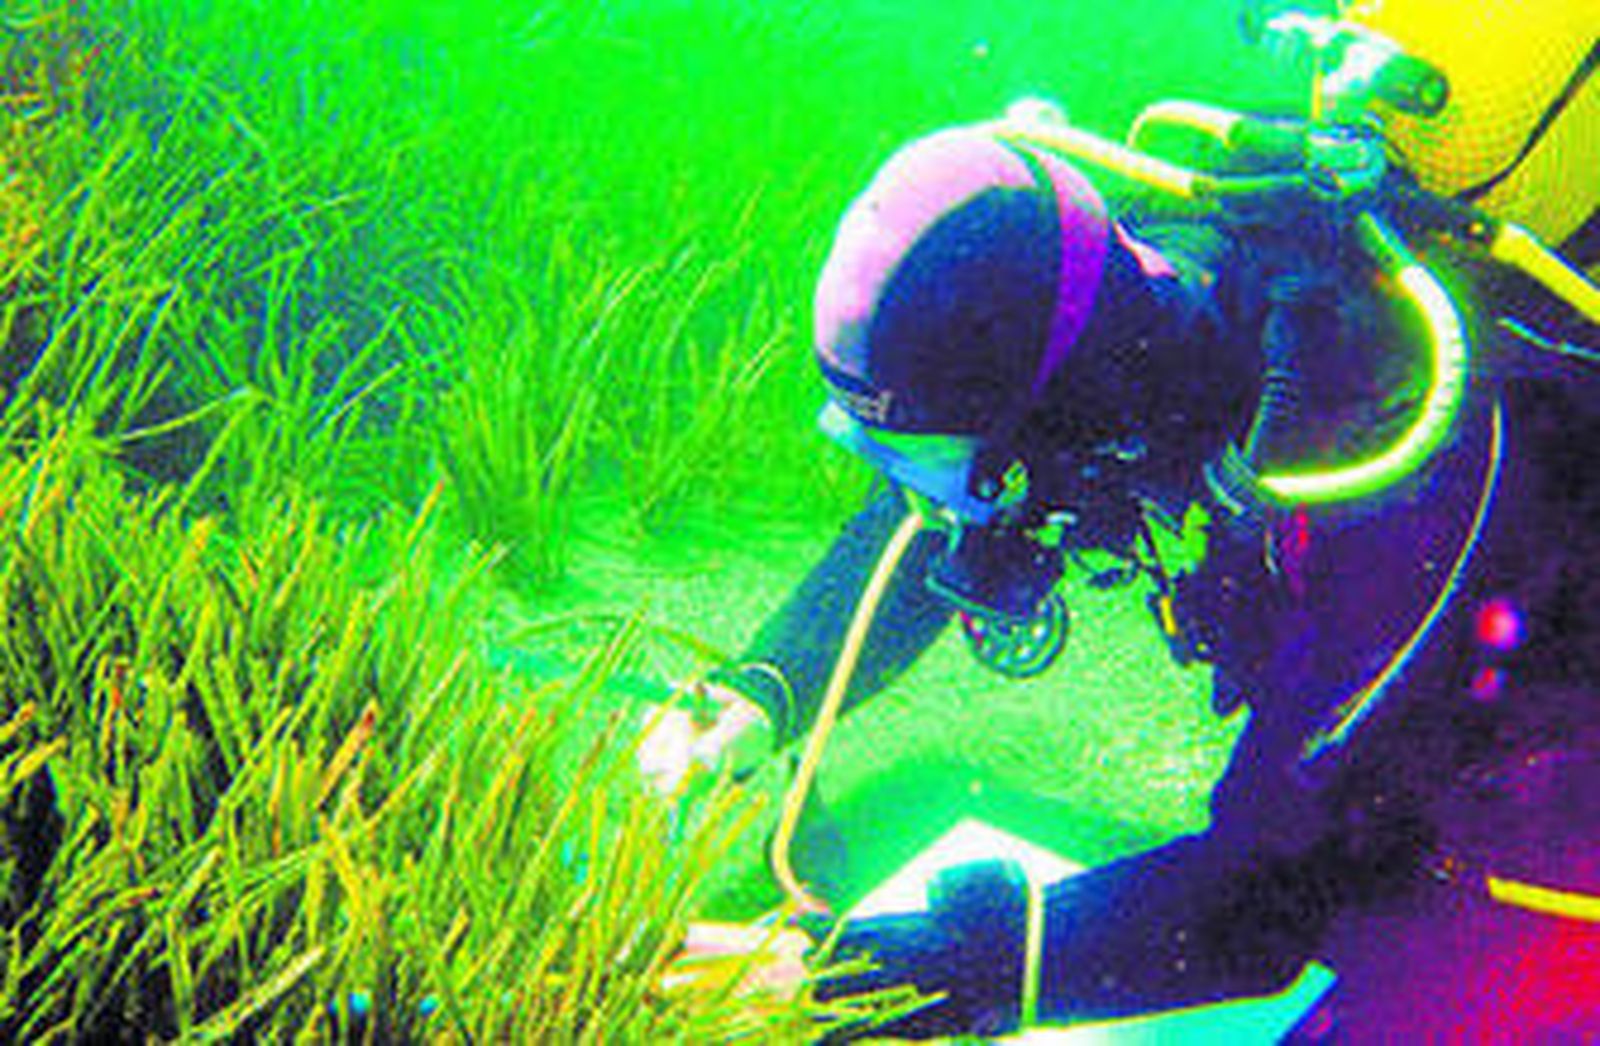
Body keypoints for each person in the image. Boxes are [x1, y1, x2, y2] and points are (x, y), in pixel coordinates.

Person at [650, 2, 1600, 1038]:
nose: (940, 499)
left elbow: (1268, 896)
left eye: (945, 461)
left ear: (1056, 408)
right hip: (1371, 775)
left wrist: (877, 977)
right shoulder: (1126, 304)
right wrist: (762, 691)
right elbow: (929, 520)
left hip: (1539, 820)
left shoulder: (1383, 457)